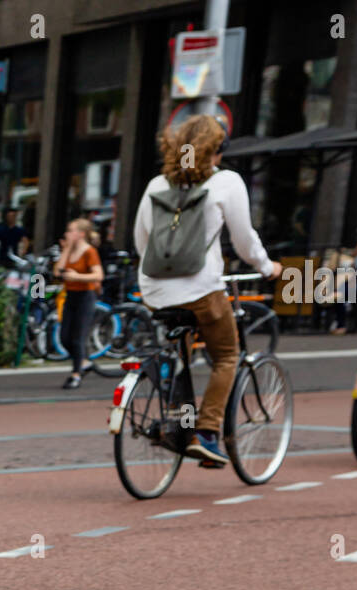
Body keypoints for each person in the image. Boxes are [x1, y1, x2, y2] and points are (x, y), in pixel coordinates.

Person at [133, 114, 282, 467]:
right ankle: (207, 432)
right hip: (201, 288)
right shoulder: (227, 182)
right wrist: (267, 267)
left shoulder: (157, 184)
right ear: (217, 150)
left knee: (178, 352)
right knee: (227, 356)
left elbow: (142, 240)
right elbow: (244, 241)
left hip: (154, 288)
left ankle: (177, 422)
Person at [53, 219, 103, 389]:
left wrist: (77, 277)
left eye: (70, 230)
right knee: (64, 337)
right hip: (70, 295)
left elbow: (98, 275)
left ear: (81, 234)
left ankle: (76, 375)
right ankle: (83, 362)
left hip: (85, 296)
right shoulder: (69, 250)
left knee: (78, 337)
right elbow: (57, 272)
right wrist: (66, 249)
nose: (67, 234)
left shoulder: (89, 252)